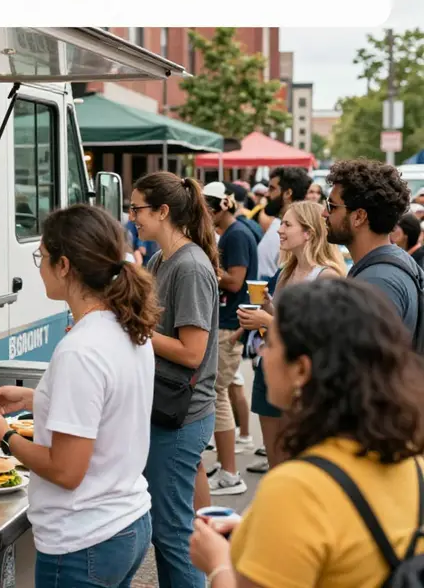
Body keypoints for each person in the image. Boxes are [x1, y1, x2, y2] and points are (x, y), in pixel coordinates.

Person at [0, 205, 156, 588]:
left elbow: (67, 471)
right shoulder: (127, 327)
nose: (39, 267)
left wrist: (3, 435)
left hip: (83, 540)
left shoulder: (81, 350)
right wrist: (35, 399)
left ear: (64, 265)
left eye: (43, 257)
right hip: (127, 521)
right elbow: (107, 407)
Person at [189, 280, 424, 588]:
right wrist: (257, 530)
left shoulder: (295, 488)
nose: (262, 352)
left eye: (270, 343)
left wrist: (218, 563)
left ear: (301, 369)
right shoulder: (412, 462)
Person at [131, 172, 220, 588]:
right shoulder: (158, 260)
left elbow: (191, 352)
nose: (131, 216)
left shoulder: (190, 266)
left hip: (181, 413)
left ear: (163, 211)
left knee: (172, 534)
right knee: (167, 530)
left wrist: (136, 331)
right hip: (163, 408)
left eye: (137, 209)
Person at [237, 201, 347, 472]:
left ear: (308, 232)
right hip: (268, 370)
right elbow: (289, 321)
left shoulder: (326, 276)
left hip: (301, 382)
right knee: (275, 461)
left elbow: (320, 337)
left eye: (287, 224)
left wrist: (267, 321)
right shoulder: (285, 271)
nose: (279, 230)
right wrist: (266, 310)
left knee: (298, 463)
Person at [324, 159, 422, 337]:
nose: (324, 213)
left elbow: (368, 361)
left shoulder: (377, 282)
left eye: (331, 206)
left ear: (359, 216)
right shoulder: (393, 261)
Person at [203, 182, 256, 497]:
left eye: (208, 209)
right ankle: (226, 465)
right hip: (226, 322)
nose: (206, 216)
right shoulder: (233, 233)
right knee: (224, 390)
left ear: (221, 206)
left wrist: (208, 270)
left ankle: (229, 473)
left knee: (216, 394)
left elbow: (235, 282)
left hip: (229, 323)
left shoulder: (236, 235)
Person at [257, 167, 312, 280]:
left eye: (272, 189)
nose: (267, 194)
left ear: (287, 193)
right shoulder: (278, 226)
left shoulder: (296, 235)